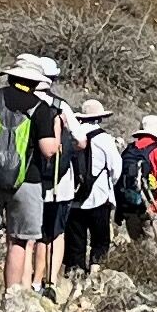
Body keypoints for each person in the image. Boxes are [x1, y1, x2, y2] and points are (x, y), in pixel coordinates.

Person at [0, 54, 67, 299]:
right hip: (26, 183)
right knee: (18, 241)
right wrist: (57, 130)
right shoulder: (42, 109)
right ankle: (10, 295)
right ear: (36, 82)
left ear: (11, 77)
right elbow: (48, 150)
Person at [63, 98, 123, 278]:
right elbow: (116, 168)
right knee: (100, 239)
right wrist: (109, 185)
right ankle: (95, 272)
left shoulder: (71, 137)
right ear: (99, 118)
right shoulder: (104, 138)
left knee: (75, 240)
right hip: (99, 196)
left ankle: (75, 274)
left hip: (73, 197)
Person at [118, 114, 157, 242]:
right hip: (154, 207)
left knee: (137, 246)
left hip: (130, 207)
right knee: (153, 249)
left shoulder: (129, 150)